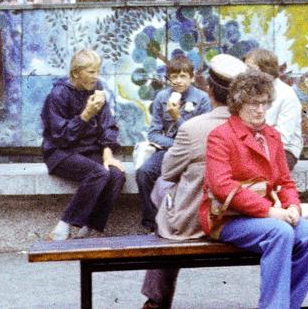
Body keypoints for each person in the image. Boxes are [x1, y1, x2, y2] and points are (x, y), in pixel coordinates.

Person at [203, 69, 308, 309]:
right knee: (279, 232)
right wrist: (271, 212)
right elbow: (222, 187)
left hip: (267, 216)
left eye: (264, 103)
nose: (260, 110)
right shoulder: (220, 136)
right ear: (238, 104)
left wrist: (293, 206)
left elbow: (285, 181)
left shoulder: (272, 135)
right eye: (253, 104)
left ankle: (286, 305)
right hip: (226, 219)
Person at [141, 52, 248, 309]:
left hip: (200, 220)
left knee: (164, 193)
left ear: (209, 90)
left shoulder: (194, 128)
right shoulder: (252, 126)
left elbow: (167, 171)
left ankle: (155, 301)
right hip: (244, 215)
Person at [41, 48, 125, 241]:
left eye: (98, 71)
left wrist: (108, 155)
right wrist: (85, 116)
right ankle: (63, 225)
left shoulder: (97, 88)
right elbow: (60, 136)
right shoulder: (58, 95)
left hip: (88, 151)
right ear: (76, 74)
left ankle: (89, 228)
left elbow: (108, 125)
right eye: (91, 72)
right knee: (98, 173)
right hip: (60, 153)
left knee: (116, 174)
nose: (96, 76)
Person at [135, 56, 210, 232]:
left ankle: (188, 223)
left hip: (195, 154)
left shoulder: (203, 99)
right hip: (169, 151)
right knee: (144, 173)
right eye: (174, 77)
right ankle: (151, 223)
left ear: (192, 78)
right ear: (168, 79)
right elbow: (153, 133)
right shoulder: (162, 97)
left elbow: (200, 135)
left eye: (183, 76)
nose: (178, 81)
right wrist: (174, 145)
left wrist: (177, 117)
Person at [245, 48, 304, 172]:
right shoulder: (249, 90)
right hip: (250, 145)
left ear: (265, 70)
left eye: (250, 69)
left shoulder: (286, 95)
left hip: (283, 150)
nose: (246, 73)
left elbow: (282, 137)